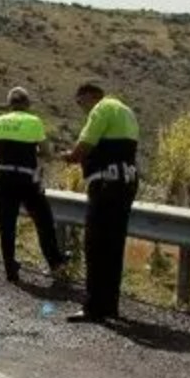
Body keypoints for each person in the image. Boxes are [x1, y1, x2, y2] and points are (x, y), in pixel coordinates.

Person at [63, 82, 140, 324]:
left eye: (80, 102)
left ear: (90, 96)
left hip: (105, 184)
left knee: (95, 245)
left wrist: (69, 156)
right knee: (114, 246)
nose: (81, 109)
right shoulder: (127, 112)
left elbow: (82, 149)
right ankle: (111, 305)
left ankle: (93, 308)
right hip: (127, 183)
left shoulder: (102, 109)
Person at [0, 87, 68, 283]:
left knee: (6, 224)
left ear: (9, 104)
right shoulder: (34, 122)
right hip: (26, 179)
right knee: (43, 220)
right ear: (27, 104)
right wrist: (31, 153)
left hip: (3, 178)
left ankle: (10, 270)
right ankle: (55, 262)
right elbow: (46, 152)